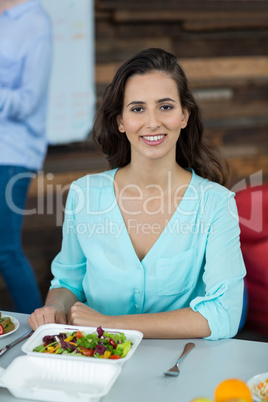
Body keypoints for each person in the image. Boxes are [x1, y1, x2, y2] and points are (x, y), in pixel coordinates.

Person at [28, 48, 246, 340]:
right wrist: (54, 306)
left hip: (180, 365)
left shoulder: (217, 204)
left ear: (184, 116)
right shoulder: (84, 194)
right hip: (95, 357)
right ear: (120, 121)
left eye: (166, 107)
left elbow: (224, 315)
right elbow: (70, 281)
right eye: (137, 108)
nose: (152, 122)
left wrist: (109, 323)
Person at [0, 0, 53, 313]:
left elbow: (28, 100)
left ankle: (41, 334)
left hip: (11, 152)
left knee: (5, 250)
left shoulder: (35, 23)